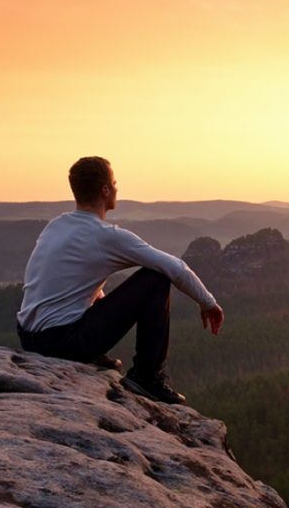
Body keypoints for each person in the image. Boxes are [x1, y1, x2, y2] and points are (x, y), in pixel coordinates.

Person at [16, 156, 224, 404]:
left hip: (29, 337)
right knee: (155, 278)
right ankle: (147, 376)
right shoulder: (104, 236)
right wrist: (207, 303)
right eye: (114, 183)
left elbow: (69, 284)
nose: (117, 188)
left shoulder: (57, 225)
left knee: (100, 291)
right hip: (62, 343)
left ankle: (96, 356)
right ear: (105, 190)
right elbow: (174, 267)